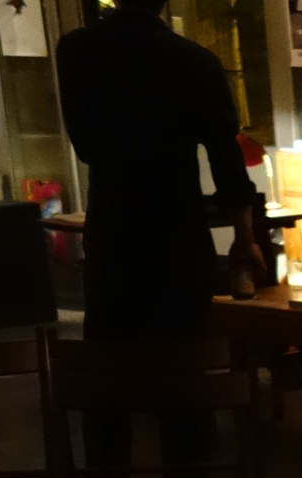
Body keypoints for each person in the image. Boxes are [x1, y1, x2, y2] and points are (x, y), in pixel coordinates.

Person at [55, 0, 259, 339]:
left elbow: (85, 147)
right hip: (177, 224)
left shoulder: (76, 50)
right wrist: (245, 236)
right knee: (184, 347)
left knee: (116, 352)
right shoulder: (197, 61)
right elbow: (226, 159)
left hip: (112, 223)